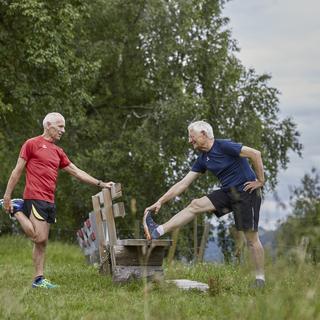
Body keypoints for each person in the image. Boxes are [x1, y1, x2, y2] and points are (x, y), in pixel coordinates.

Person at [143, 120, 265, 288]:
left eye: (191, 137)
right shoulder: (202, 159)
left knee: (251, 238)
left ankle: (260, 279)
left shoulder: (224, 146)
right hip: (228, 192)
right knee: (195, 205)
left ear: (203, 135)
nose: (189, 140)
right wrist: (160, 201)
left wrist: (260, 180)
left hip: (247, 191)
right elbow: (183, 184)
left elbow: (255, 154)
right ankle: (157, 230)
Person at [1, 112, 114, 289]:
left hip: (49, 200)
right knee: (37, 236)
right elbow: (17, 171)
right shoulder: (32, 144)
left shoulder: (58, 152)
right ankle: (17, 208)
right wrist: (7, 196)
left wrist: (100, 183)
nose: (63, 130)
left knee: (43, 241)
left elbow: (77, 172)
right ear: (48, 125)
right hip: (34, 196)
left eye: (64, 126)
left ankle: (38, 279)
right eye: (60, 126)